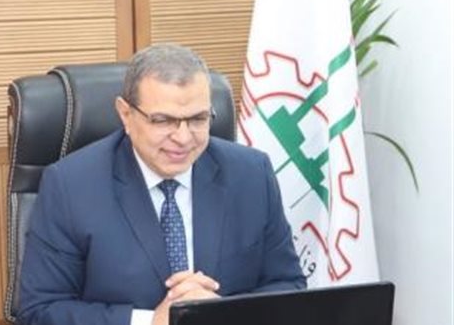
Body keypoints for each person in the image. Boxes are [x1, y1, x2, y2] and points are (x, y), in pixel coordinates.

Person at [17, 44, 306, 325]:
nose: (183, 138)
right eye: (163, 121)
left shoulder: (251, 174)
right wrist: (151, 321)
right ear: (126, 115)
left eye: (198, 119)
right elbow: (40, 311)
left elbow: (288, 286)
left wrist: (223, 313)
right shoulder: (71, 185)